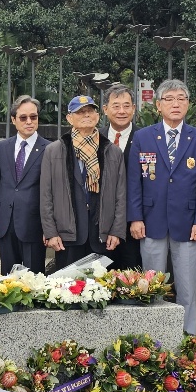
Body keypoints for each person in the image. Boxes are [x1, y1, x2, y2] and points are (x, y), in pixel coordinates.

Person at [126, 79, 196, 334]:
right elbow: (134, 181)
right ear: (158, 105)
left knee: (187, 287)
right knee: (151, 286)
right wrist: (135, 218)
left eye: (181, 99)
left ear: (188, 104)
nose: (175, 104)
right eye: (169, 99)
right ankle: (152, 339)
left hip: (188, 224)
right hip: (150, 221)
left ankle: (185, 337)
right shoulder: (143, 137)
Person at [41, 95, 126, 270]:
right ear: (69, 118)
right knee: (67, 291)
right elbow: (46, 195)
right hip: (68, 236)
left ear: (97, 116)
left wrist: (116, 231)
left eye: (90, 111)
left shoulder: (112, 151)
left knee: (101, 290)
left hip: (101, 235)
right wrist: (51, 232)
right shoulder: (54, 150)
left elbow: (120, 195)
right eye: (80, 112)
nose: (86, 115)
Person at [0, 96, 51, 273]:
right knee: (7, 282)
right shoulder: (2, 147)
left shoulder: (50, 149)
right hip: (5, 222)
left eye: (33, 117)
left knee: (33, 283)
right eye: (23, 117)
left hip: (33, 224)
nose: (29, 122)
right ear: (13, 120)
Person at [103, 85, 144, 270]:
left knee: (132, 280)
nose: (121, 111)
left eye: (126, 106)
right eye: (116, 105)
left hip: (133, 224)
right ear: (105, 109)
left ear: (134, 109)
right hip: (101, 225)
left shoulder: (146, 138)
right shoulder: (96, 137)